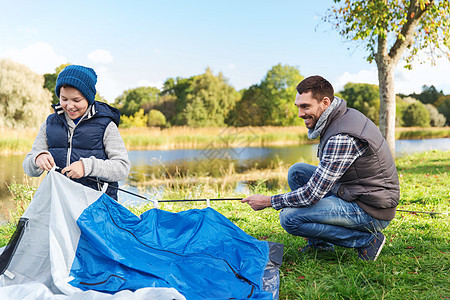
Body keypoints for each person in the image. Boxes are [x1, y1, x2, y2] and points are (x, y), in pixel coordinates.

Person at [242, 75, 399, 261]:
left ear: (325, 102)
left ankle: (366, 240)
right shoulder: (340, 117)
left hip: (371, 209)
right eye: (298, 107)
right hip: (354, 192)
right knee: (297, 172)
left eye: (305, 106)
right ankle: (321, 245)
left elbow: (311, 195)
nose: (300, 113)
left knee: (289, 218)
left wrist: (268, 201)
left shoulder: (342, 136)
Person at [23, 64, 130, 200]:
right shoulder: (49, 123)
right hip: (60, 203)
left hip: (97, 205)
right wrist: (37, 158)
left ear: (88, 98)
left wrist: (87, 166)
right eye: (64, 99)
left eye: (76, 100)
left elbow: (122, 168)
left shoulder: (106, 125)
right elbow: (28, 167)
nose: (69, 106)